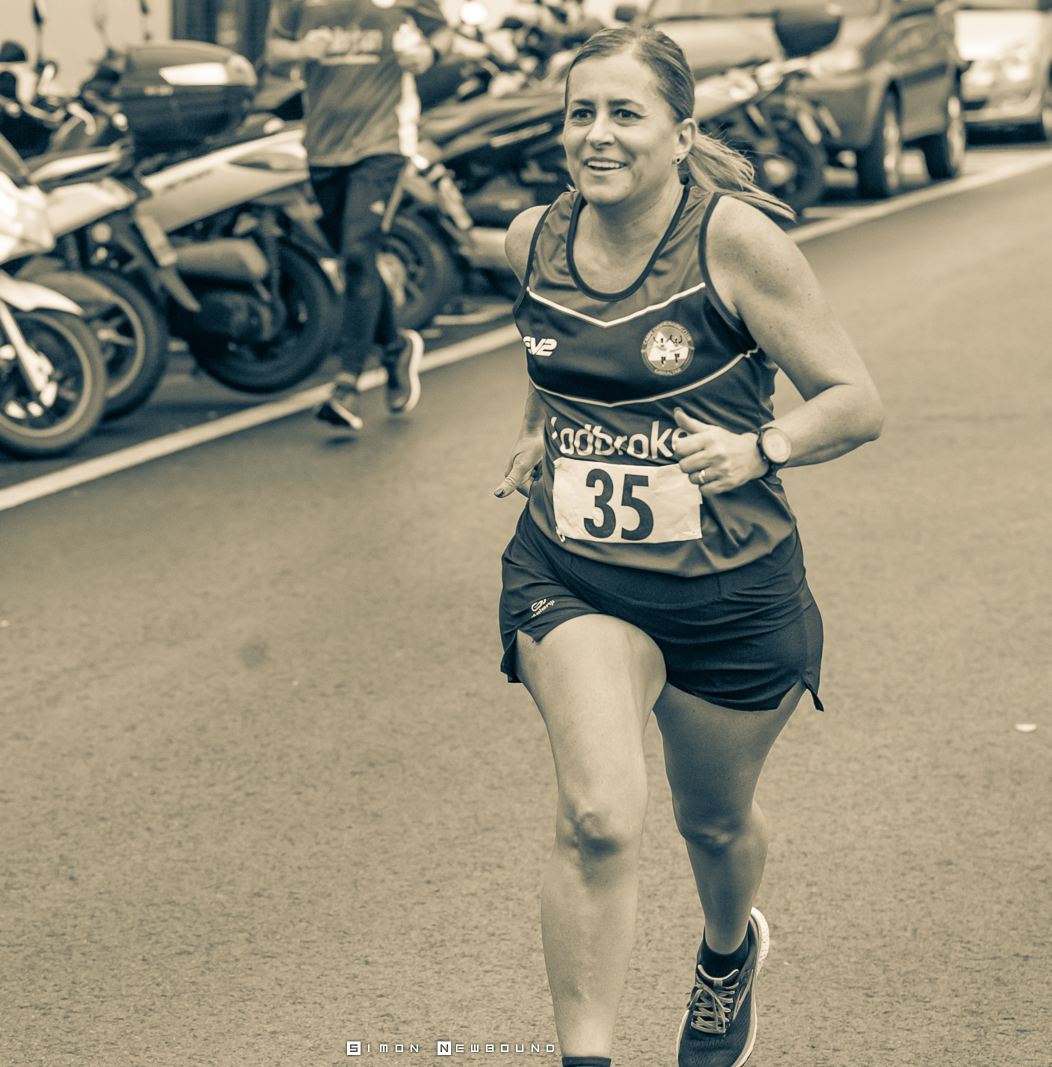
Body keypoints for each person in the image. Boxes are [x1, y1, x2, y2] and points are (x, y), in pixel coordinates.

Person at [491, 25, 884, 1067]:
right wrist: (540, 428)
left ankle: (726, 951)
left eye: (625, 113)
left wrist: (762, 446)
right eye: (580, 112)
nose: (598, 134)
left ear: (679, 134)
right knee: (598, 815)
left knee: (712, 824)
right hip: (572, 574)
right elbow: (552, 347)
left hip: (726, 592)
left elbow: (856, 401)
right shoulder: (529, 238)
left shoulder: (735, 243)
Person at [265, 0, 453, 432]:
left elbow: (443, 32)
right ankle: (395, 348)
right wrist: (300, 51)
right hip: (323, 148)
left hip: (383, 144)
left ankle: (347, 385)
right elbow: (274, 53)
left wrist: (429, 53)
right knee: (356, 260)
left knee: (356, 253)